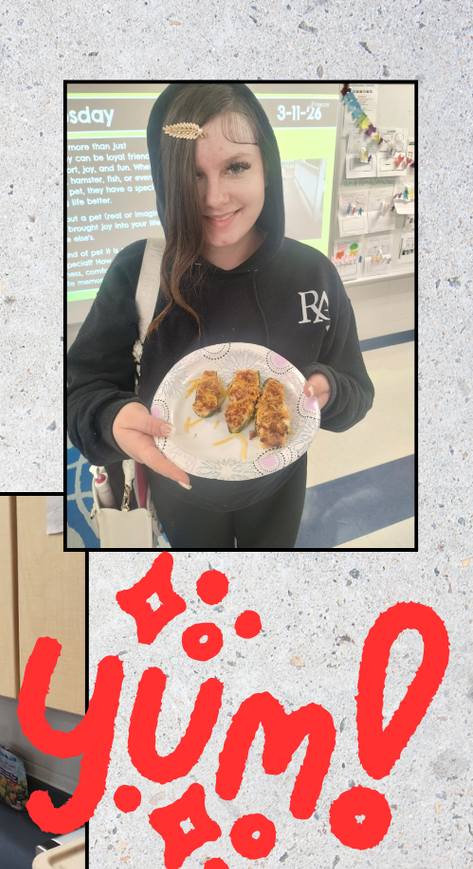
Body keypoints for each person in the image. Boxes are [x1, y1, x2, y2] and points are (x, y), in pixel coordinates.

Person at [67, 83, 375, 548]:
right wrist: (110, 419)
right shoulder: (139, 272)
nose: (214, 198)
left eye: (236, 166)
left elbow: (358, 390)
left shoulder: (314, 275)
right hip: (179, 490)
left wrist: (330, 391)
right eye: (192, 175)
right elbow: (79, 392)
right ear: (165, 180)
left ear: (266, 168)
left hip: (280, 486)